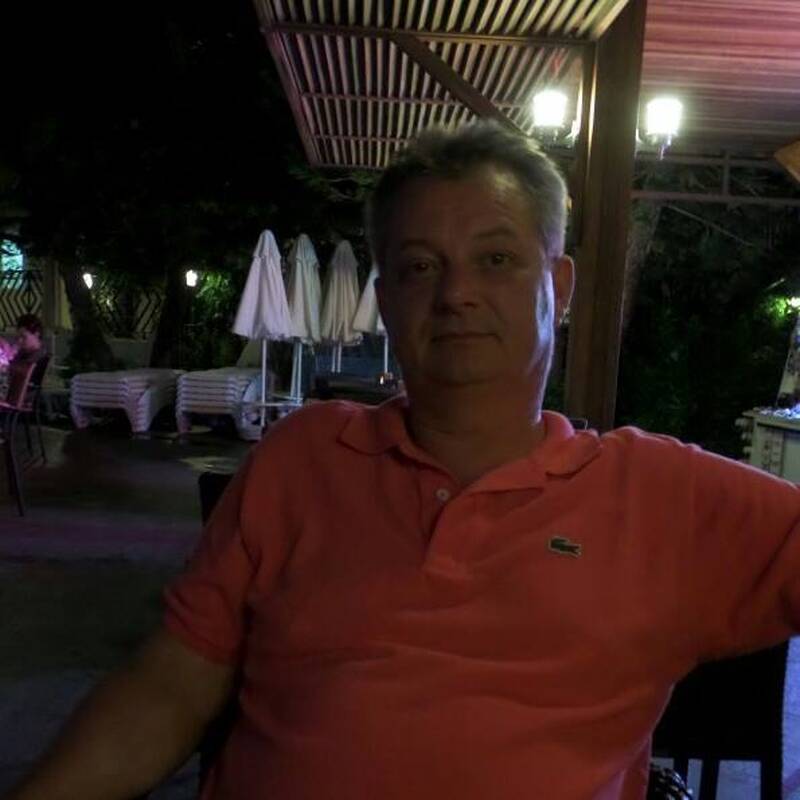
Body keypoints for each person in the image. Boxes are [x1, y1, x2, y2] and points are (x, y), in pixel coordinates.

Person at [5, 122, 800, 800]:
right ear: (386, 301)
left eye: (496, 259)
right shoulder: (303, 457)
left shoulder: (657, 494)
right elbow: (170, 688)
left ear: (558, 287)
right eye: (420, 266)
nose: (456, 294)